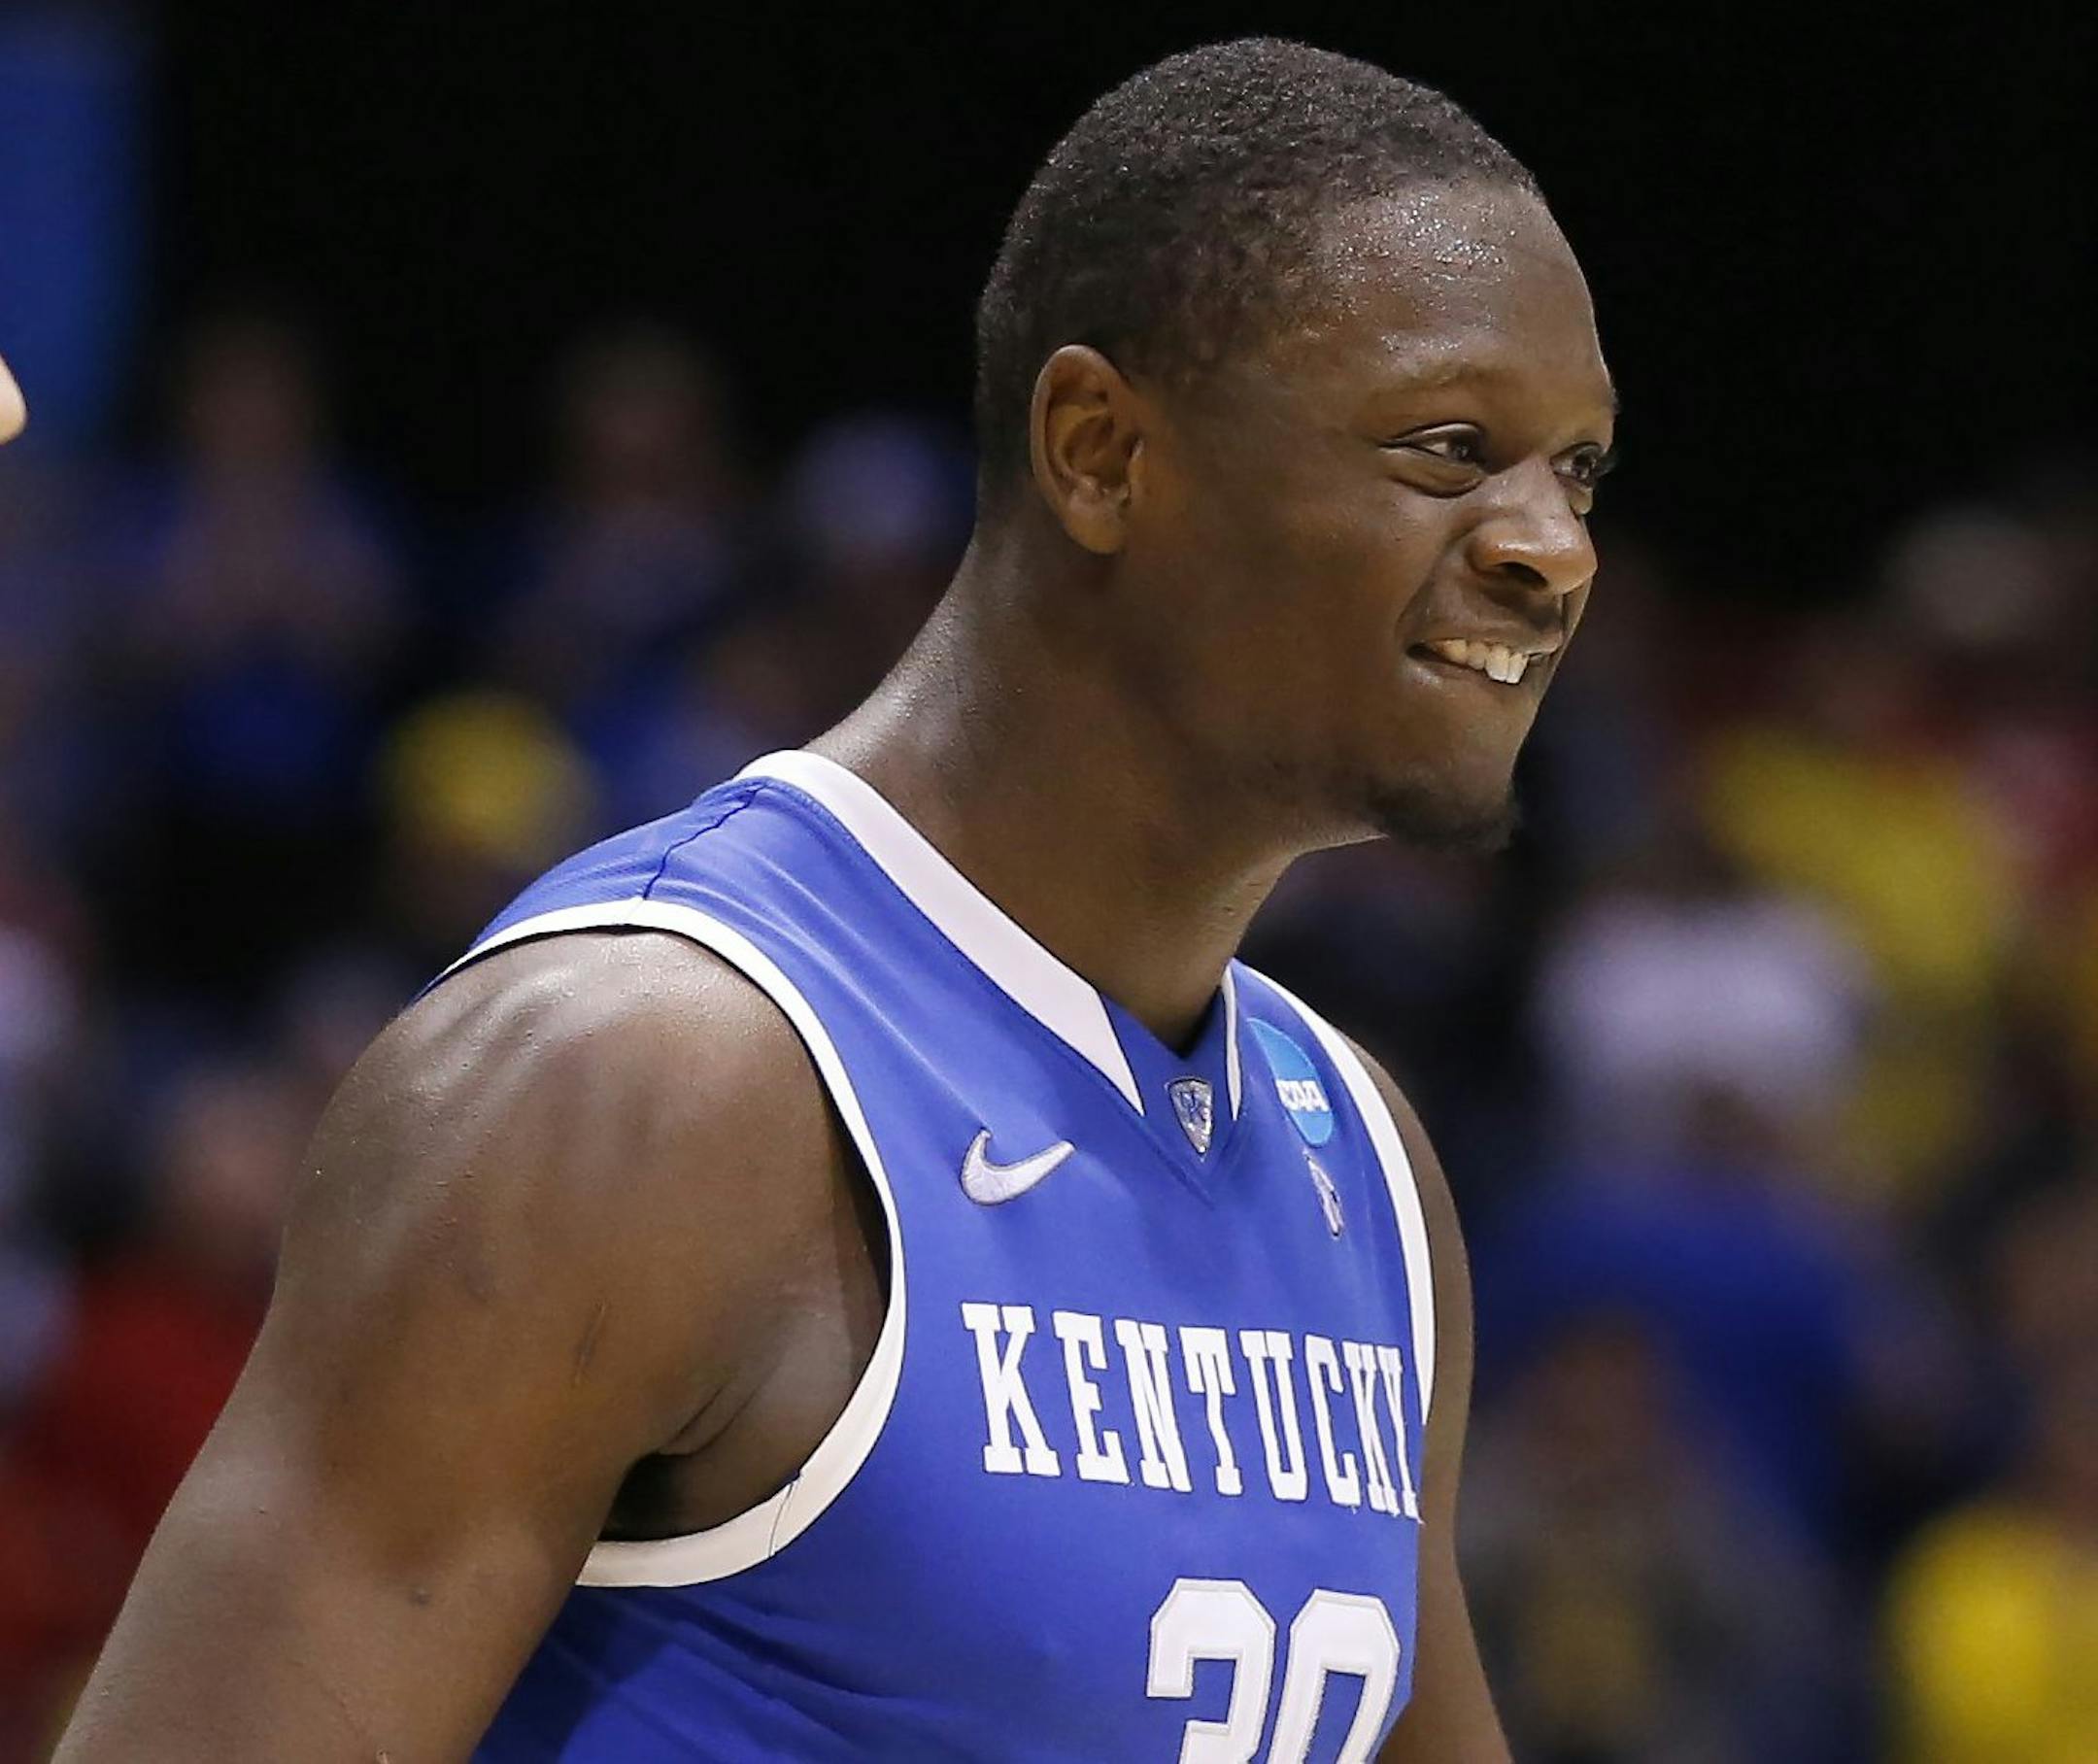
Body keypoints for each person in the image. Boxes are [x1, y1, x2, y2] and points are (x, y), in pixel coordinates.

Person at [55, 37, 1616, 1762]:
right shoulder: (642, 1078)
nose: (1551, 546)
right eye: (1450, 446)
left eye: (1579, 472)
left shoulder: (1363, 1170)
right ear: (1100, 451)